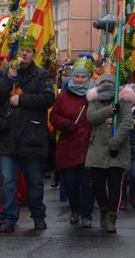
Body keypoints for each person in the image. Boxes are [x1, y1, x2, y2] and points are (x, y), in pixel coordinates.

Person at [0, 35, 55, 233]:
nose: (24, 54)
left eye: (28, 51)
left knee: (34, 181)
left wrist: (22, 100)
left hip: (31, 136)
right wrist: (8, 80)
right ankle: (8, 218)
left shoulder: (41, 75)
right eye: (21, 51)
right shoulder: (4, 73)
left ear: (33, 54)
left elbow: (48, 99)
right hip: (8, 135)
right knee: (8, 180)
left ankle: (38, 216)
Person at [85, 74, 135, 233]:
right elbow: (91, 118)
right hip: (98, 149)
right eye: (103, 82)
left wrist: (115, 142)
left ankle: (112, 218)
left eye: (110, 82)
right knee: (98, 186)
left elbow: (127, 122)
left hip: (118, 150)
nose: (106, 84)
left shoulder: (124, 99)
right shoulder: (94, 100)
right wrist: (110, 110)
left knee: (115, 186)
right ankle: (104, 210)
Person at [50, 56, 96, 228]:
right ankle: (74, 209)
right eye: (77, 76)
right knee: (70, 183)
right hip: (69, 146)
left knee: (87, 184)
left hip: (88, 145)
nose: (79, 79)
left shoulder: (94, 95)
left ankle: (86, 214)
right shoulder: (63, 96)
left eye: (83, 77)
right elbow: (54, 116)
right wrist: (67, 125)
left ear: (89, 77)